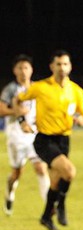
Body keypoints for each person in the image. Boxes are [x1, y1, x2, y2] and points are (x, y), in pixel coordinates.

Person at [14, 50, 83, 230]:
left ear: (70, 66)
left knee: (56, 181)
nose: (61, 68)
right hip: (44, 140)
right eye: (58, 64)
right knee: (70, 171)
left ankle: (46, 217)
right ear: (51, 66)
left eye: (65, 64)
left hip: (64, 140)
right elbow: (17, 100)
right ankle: (62, 206)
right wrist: (22, 122)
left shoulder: (76, 90)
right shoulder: (41, 87)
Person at [0, 54, 49, 215]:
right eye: (20, 68)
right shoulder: (11, 89)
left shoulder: (37, 88)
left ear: (31, 70)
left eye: (26, 67)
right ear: (15, 70)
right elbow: (1, 110)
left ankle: (49, 207)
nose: (23, 71)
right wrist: (16, 111)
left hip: (35, 134)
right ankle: (9, 192)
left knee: (41, 168)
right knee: (17, 173)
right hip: (16, 136)